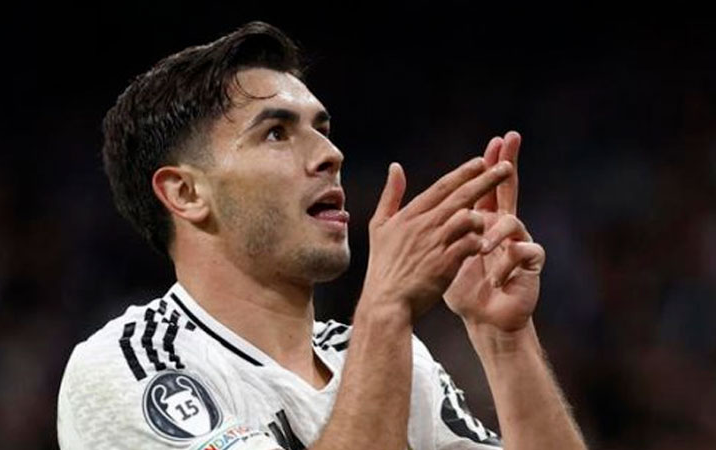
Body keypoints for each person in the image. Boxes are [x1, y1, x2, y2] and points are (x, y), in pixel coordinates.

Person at [56, 21, 587, 450]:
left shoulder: (393, 360)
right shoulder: (133, 368)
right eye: (276, 133)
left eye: (322, 129)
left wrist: (504, 339)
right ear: (187, 193)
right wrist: (385, 307)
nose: (331, 154)